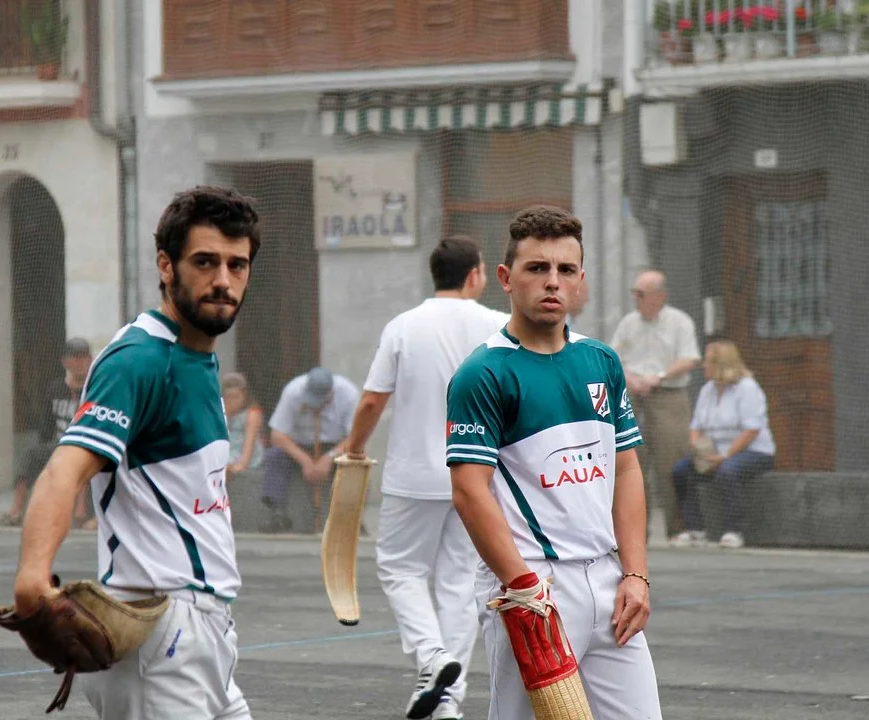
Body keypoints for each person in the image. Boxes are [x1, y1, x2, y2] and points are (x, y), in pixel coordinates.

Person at [9, 185, 261, 719]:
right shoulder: (139, 360)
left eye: (236, 265)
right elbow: (64, 470)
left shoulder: (198, 358)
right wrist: (33, 576)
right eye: (205, 262)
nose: (223, 279)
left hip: (208, 633)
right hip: (161, 636)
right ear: (166, 266)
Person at [446, 205, 662, 720]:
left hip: (609, 583)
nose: (552, 281)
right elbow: (469, 491)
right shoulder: (483, 373)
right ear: (506, 278)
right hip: (531, 587)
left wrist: (636, 574)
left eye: (566, 269)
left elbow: (626, 469)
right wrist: (521, 585)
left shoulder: (601, 361)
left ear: (580, 280)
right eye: (537, 268)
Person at [343, 235, 508, 720]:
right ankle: (447, 703)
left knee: (401, 570)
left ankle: (432, 659)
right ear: (475, 275)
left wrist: (354, 450)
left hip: (413, 476)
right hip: (477, 474)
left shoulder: (403, 326)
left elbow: (372, 400)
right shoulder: (498, 326)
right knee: (459, 581)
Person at [610, 269, 701, 544]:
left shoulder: (679, 322)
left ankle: (677, 529)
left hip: (668, 395)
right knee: (632, 462)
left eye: (641, 294)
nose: (636, 299)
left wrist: (659, 377)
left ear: (660, 296)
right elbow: (614, 358)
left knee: (672, 461)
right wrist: (631, 379)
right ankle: (637, 532)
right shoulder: (628, 323)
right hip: (633, 395)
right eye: (634, 293)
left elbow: (689, 359)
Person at [671, 339, 775, 549]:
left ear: (721, 365)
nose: (704, 366)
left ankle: (733, 530)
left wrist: (727, 455)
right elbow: (696, 426)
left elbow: (752, 429)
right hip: (714, 452)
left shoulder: (747, 388)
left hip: (753, 451)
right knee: (681, 470)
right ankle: (695, 529)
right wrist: (698, 450)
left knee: (727, 471)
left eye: (708, 362)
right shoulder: (707, 390)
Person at [0, 337, 93, 528]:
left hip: (86, 444)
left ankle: (80, 513)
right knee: (31, 454)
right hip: (60, 443)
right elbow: (47, 426)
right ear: (66, 362)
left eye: (84, 358)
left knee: (83, 456)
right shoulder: (55, 389)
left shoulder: (95, 389)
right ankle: (16, 510)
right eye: (75, 358)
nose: (80, 363)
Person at [261, 366, 359, 533]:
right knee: (274, 456)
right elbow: (277, 435)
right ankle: (278, 514)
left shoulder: (349, 394)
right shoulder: (293, 391)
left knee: (355, 462)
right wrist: (305, 460)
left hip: (336, 446)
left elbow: (356, 437)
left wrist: (329, 458)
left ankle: (350, 518)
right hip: (299, 444)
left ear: (331, 393)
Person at [221, 371, 265, 480]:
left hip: (245, 455)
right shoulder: (219, 413)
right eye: (228, 397)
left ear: (244, 396)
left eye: (236, 397)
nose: (232, 401)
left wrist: (241, 464)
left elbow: (249, 444)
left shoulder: (252, 413)